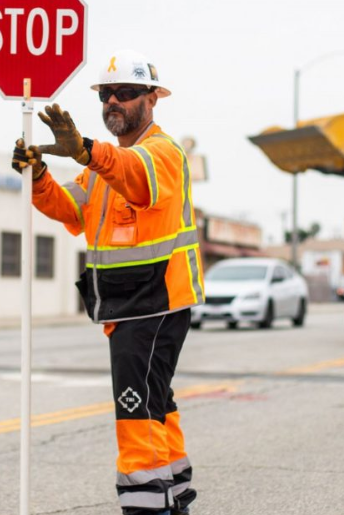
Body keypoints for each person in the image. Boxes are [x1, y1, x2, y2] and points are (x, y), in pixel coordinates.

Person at [11, 49, 204, 515]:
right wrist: (38, 175)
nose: (115, 101)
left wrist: (87, 150)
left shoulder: (162, 153)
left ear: (152, 99)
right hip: (128, 306)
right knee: (157, 401)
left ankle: (144, 505)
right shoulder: (101, 169)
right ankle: (173, 491)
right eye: (107, 94)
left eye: (127, 93)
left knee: (135, 406)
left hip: (155, 303)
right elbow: (69, 209)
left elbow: (136, 180)